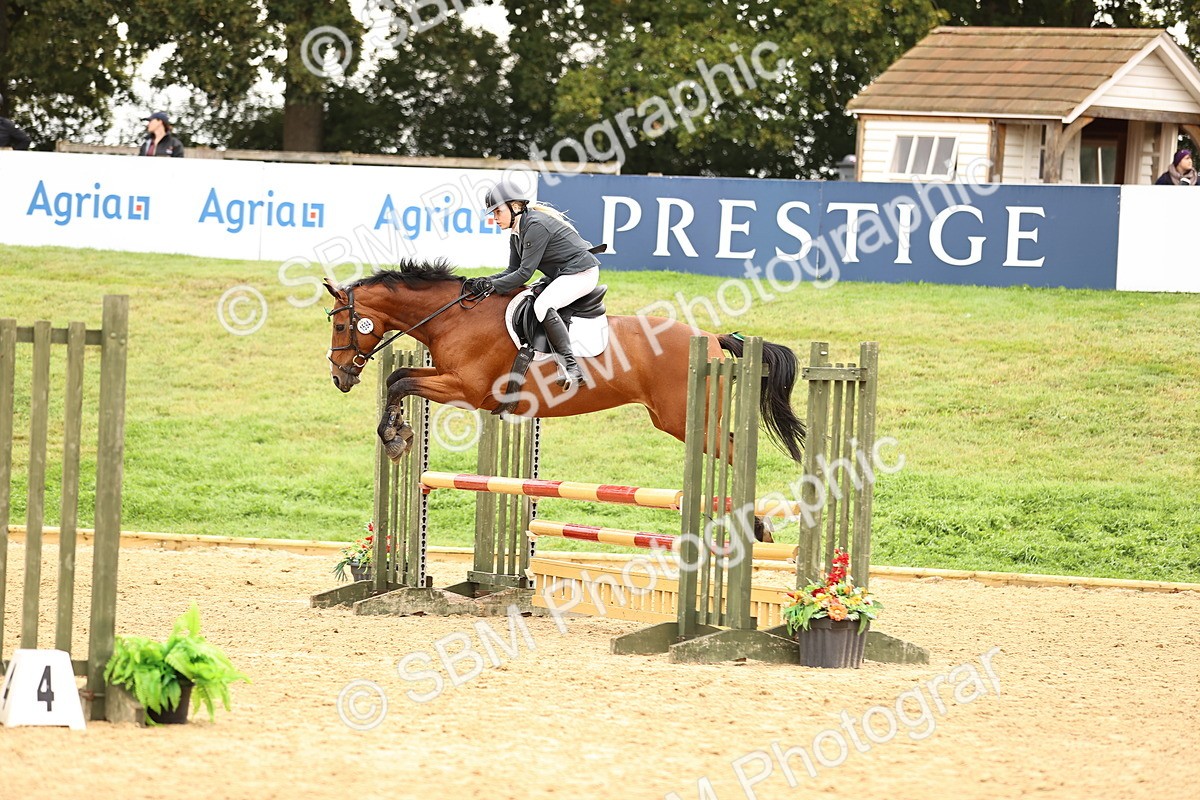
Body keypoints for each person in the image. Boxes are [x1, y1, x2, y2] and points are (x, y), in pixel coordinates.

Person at [466, 178, 601, 390]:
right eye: (492, 214)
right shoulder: (516, 232)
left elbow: (523, 275)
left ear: (515, 206)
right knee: (532, 298)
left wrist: (492, 288)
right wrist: (484, 281)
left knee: (542, 305)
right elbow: (511, 270)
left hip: (581, 273)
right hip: (562, 274)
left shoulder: (535, 226)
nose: (494, 218)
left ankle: (572, 368)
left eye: (497, 212)